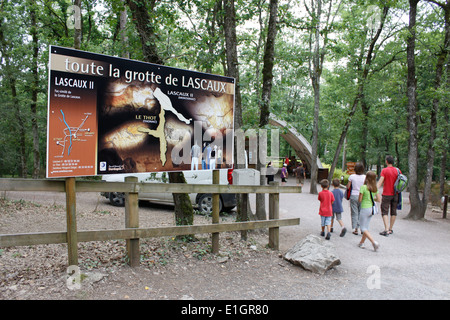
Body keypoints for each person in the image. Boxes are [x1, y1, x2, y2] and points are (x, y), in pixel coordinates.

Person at [377, 155, 400, 236]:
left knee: (385, 211)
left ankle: (386, 229)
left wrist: (374, 190)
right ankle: (390, 228)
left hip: (387, 194)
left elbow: (380, 182)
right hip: (396, 194)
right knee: (393, 211)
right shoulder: (398, 171)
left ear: (386, 161)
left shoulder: (384, 170)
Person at [358, 171, 381, 251]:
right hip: (371, 209)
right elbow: (378, 199)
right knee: (366, 227)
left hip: (365, 208)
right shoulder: (375, 188)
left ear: (367, 178)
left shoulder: (363, 187)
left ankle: (374, 242)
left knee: (363, 227)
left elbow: (360, 200)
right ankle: (361, 243)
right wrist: (372, 198)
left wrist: (365, 198)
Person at [347, 162, 366, 235]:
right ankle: (362, 228)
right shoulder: (365, 177)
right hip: (362, 196)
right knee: (361, 212)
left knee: (354, 213)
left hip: (353, 196)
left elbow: (348, 187)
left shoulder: (351, 176)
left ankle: (355, 229)